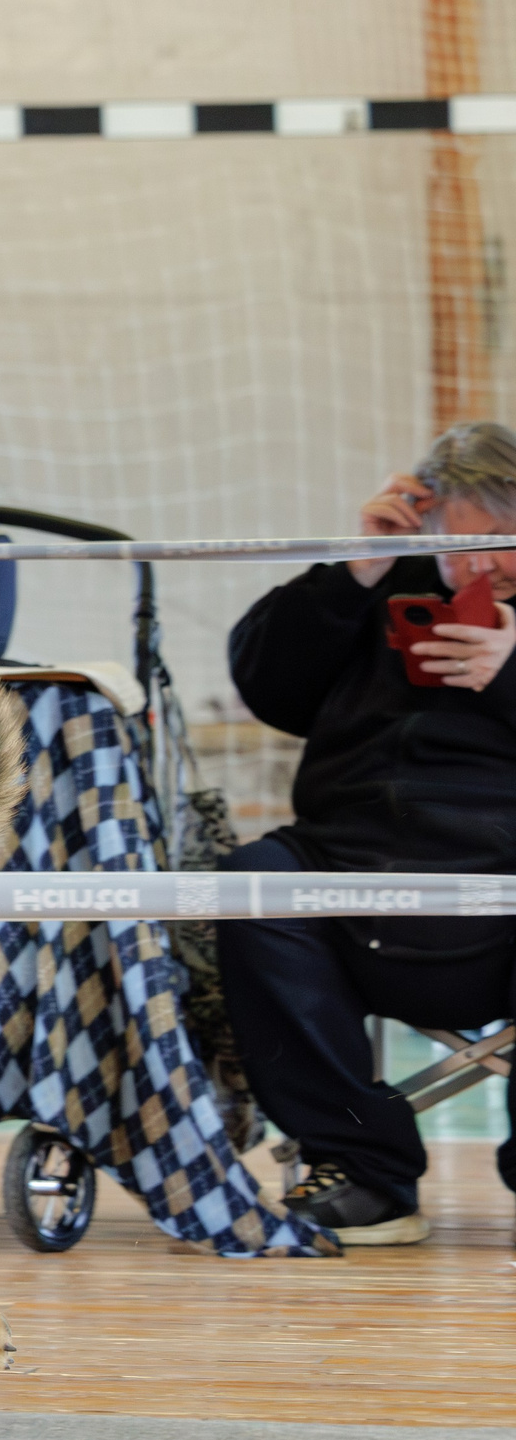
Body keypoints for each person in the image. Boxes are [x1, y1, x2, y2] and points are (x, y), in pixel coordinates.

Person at [216, 421, 516, 1245]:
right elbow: (265, 686)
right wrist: (356, 568)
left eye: (501, 543)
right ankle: (364, 1172)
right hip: (348, 872)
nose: (481, 569)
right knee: (249, 883)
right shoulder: (378, 584)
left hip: (502, 888)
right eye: (458, 547)